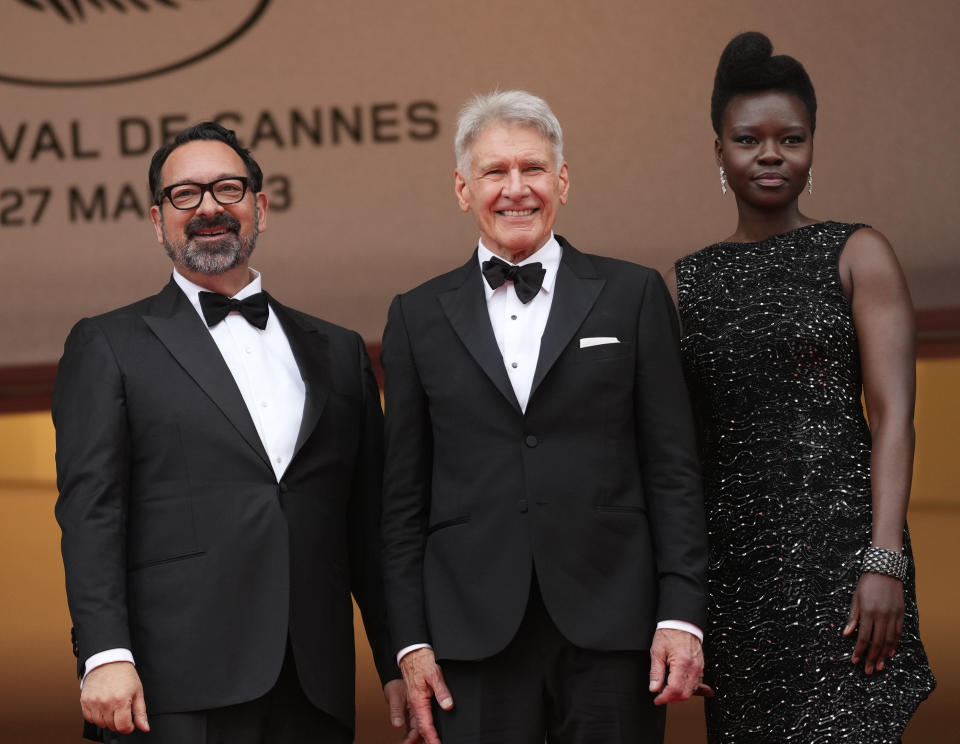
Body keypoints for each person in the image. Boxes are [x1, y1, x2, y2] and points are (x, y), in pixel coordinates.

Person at [53, 122, 407, 743]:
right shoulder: (107, 344)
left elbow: (368, 530)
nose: (209, 207)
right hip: (171, 686)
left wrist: (398, 656)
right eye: (185, 195)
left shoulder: (341, 352)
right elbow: (92, 514)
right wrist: (105, 654)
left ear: (261, 208)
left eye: (228, 189)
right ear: (157, 220)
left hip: (313, 684)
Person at [380, 90, 709, 744]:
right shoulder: (415, 317)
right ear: (462, 189)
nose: (515, 189)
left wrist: (681, 616)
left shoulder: (633, 294)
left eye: (531, 169)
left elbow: (674, 468)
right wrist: (410, 642)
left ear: (562, 180)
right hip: (469, 638)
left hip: (614, 628)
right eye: (494, 172)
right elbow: (401, 502)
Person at [668, 31, 936, 743]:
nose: (769, 155)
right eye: (748, 139)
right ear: (718, 151)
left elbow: (895, 417)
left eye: (791, 138)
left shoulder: (857, 253)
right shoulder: (688, 282)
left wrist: (885, 560)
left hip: (844, 566)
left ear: (812, 147)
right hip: (736, 584)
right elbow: (680, 452)